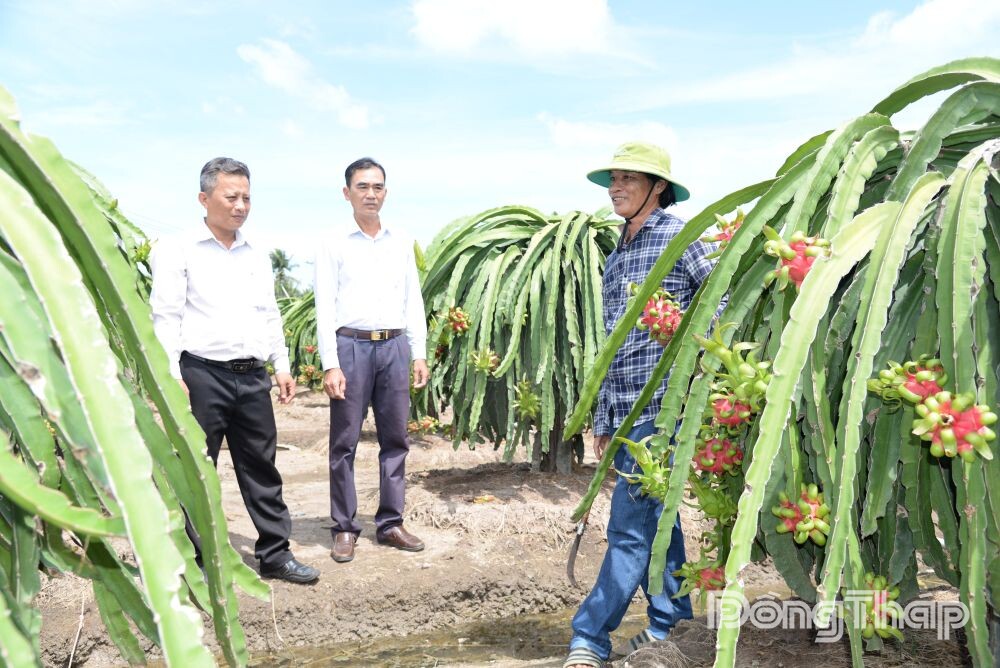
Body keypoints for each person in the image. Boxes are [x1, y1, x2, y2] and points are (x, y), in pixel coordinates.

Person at [565, 142, 721, 667]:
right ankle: (669, 624)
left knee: (630, 528)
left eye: (629, 178)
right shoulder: (620, 249)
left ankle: (589, 637)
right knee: (661, 523)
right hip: (627, 408)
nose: (616, 187)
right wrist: (606, 420)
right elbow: (616, 343)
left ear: (659, 188)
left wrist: (693, 354)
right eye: (613, 178)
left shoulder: (681, 236)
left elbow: (723, 298)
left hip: (665, 407)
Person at [150, 157, 320, 585]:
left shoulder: (255, 252)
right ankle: (200, 558)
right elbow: (165, 316)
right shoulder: (179, 249)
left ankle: (275, 554)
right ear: (204, 198)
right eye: (232, 196)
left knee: (261, 466)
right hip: (201, 375)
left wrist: (281, 364)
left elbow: (269, 313)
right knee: (198, 467)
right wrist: (171, 375)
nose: (241, 205)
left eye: (247, 197)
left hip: (251, 376)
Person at [313, 157, 429, 563]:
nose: (371, 194)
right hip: (351, 346)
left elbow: (412, 299)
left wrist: (420, 352)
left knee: (395, 439)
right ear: (347, 193)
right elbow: (324, 305)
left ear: (386, 192)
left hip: (394, 346)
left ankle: (391, 523)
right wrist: (331, 362)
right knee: (344, 442)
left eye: (378, 187)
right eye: (362, 187)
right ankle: (344, 526)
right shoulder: (333, 242)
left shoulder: (401, 240)